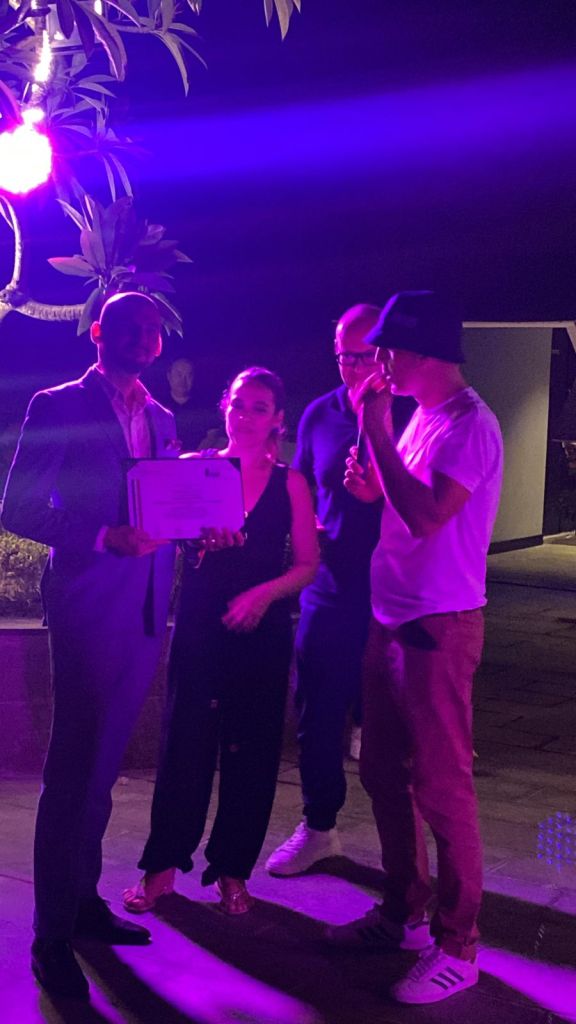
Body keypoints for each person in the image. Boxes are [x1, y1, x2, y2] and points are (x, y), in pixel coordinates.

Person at [0, 293, 183, 999]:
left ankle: (81, 903)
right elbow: (18, 509)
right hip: (85, 607)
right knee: (73, 770)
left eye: (153, 330)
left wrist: (202, 530)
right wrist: (104, 536)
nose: (144, 338)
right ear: (99, 331)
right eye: (130, 327)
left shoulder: (161, 418)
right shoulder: (58, 405)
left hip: (144, 610)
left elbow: (167, 505)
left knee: (101, 771)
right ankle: (51, 936)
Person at [327, 291, 504, 1006]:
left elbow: (431, 515)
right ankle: (405, 913)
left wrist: (375, 428)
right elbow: (406, 503)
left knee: (442, 786)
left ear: (422, 352)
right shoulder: (425, 416)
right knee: (382, 771)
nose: (379, 363)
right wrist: (375, 484)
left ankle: (459, 946)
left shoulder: (470, 424)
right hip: (391, 616)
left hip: (439, 626)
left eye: (387, 350)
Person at [123, 367, 319, 915]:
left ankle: (233, 871)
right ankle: (161, 867)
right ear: (223, 408)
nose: (245, 416)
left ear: (277, 419)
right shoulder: (196, 468)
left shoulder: (290, 483)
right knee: (184, 744)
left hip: (262, 631)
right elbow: (155, 529)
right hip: (201, 623)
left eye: (259, 407)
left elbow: (307, 565)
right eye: (237, 404)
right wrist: (192, 533)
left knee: (252, 752)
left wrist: (263, 595)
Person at [265, 304, 386, 876]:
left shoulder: (412, 413)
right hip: (331, 584)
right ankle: (319, 827)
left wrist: (381, 495)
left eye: (363, 356)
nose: (353, 368)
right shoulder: (321, 414)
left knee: (395, 723)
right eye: (343, 357)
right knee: (315, 709)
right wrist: (304, 525)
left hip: (395, 590)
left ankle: (406, 850)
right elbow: (306, 491)